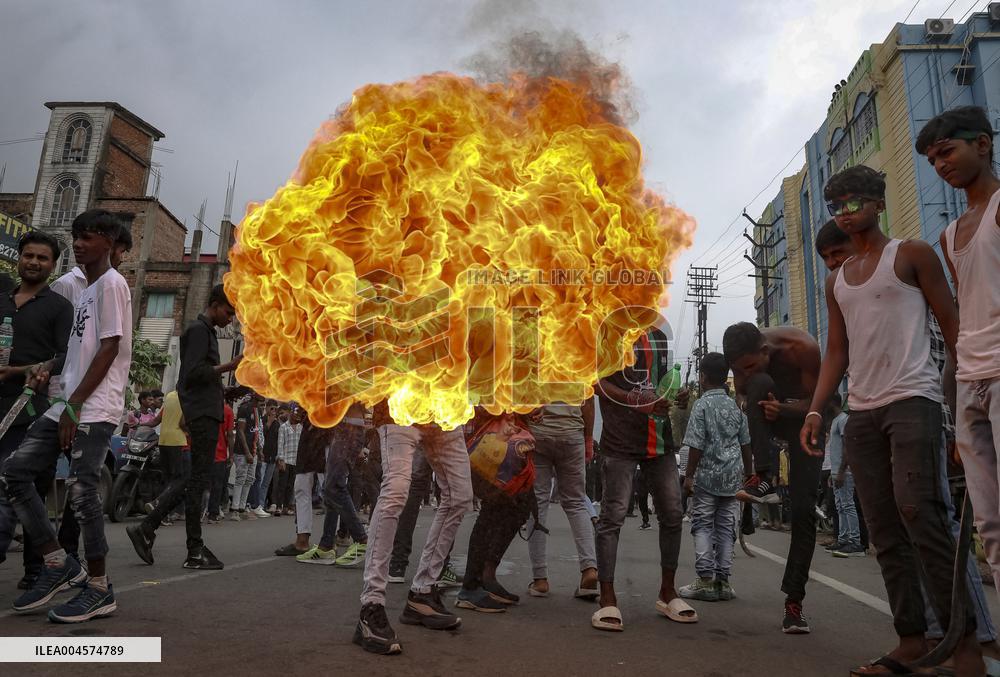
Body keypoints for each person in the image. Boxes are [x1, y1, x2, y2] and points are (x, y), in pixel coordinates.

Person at [800, 164, 982, 676]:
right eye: (837, 206)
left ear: (878, 203)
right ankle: (911, 639)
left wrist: (964, 400)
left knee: (920, 514)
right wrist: (817, 407)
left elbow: (952, 324)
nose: (845, 213)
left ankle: (962, 645)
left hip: (914, 400)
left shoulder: (912, 254)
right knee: (883, 527)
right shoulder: (837, 281)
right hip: (862, 411)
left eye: (854, 202)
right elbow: (837, 351)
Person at [0, 209, 132, 622]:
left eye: (89, 237)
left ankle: (98, 587)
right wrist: (47, 371)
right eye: (76, 236)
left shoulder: (112, 284)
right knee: (16, 472)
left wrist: (74, 404)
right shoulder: (87, 290)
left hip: (93, 406)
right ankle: (58, 561)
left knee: (82, 490)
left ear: (109, 244)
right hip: (67, 402)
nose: (78, 243)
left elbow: (110, 348)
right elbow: (79, 352)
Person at [918, 106, 1000, 600]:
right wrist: (954, 401)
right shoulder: (949, 235)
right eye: (931, 160)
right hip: (970, 378)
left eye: (947, 151)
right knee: (989, 525)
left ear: (983, 145)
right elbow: (960, 314)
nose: (940, 165)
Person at [126, 284, 241, 570]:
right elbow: (192, 374)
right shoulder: (198, 330)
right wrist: (230, 366)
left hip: (205, 412)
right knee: (196, 481)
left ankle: (162, 533)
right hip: (202, 415)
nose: (231, 319)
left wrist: (231, 390)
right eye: (228, 312)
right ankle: (186, 546)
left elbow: (201, 380)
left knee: (195, 480)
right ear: (214, 304)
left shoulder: (207, 332)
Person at [591, 326, 692, 632]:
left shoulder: (659, 336)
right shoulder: (609, 331)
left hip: (659, 442)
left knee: (673, 514)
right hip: (620, 441)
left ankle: (667, 592)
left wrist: (678, 395)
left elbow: (663, 385)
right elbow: (596, 383)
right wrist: (634, 400)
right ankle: (606, 597)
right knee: (613, 516)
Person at [722, 321, 821, 633]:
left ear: (764, 350)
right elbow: (743, 395)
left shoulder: (802, 348)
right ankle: (763, 477)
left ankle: (794, 603)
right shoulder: (746, 367)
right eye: (739, 370)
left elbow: (821, 404)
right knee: (760, 383)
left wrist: (784, 410)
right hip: (773, 413)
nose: (744, 375)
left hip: (809, 420)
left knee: (804, 511)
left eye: (749, 366)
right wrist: (756, 405)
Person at [354, 400, 473, 656]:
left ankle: (422, 593)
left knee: (460, 496)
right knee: (396, 492)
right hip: (398, 404)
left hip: (444, 407)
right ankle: (371, 604)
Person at [0, 231, 73, 590]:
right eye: (28, 255)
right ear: (19, 257)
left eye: (42, 258)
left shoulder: (59, 307)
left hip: (28, 409)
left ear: (53, 264)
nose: (33, 262)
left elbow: (65, 356)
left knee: (17, 487)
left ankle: (36, 570)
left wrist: (25, 371)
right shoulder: (2, 301)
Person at [678, 353, 751, 603]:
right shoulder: (736, 406)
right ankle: (723, 582)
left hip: (707, 477)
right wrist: (749, 475)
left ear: (702, 376)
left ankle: (705, 580)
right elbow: (746, 444)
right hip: (733, 478)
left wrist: (689, 478)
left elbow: (696, 445)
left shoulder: (701, 405)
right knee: (725, 527)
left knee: (702, 525)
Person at [456, 411, 535, 613]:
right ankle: (472, 585)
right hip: (491, 438)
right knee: (494, 509)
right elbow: (480, 397)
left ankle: (485, 576)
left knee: (517, 506)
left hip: (507, 438)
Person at [525, 401, 599, 600]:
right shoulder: (580, 367)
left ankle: (540, 579)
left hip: (538, 433)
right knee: (576, 503)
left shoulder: (536, 366)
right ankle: (589, 569)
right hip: (572, 433)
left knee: (538, 503)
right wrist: (589, 439)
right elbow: (588, 402)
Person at [298, 404, 369, 566]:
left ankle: (362, 540)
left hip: (349, 429)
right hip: (340, 429)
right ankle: (326, 546)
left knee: (334, 487)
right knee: (329, 489)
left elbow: (362, 387)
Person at [274, 412, 328, 557]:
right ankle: (302, 541)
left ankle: (330, 541)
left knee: (330, 490)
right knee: (302, 487)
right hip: (310, 435)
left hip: (328, 431)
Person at [821, 393, 863, 558]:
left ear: (833, 403)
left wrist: (841, 471)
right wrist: (833, 472)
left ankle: (855, 542)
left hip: (844, 471)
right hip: (836, 470)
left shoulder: (844, 420)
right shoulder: (834, 422)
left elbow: (848, 447)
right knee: (840, 506)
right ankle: (843, 539)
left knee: (847, 505)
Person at [142, 390, 187, 521]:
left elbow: (156, 421)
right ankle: (164, 509)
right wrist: (190, 433)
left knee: (166, 478)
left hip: (163, 441)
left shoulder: (170, 397)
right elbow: (183, 423)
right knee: (177, 479)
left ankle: (161, 514)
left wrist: (139, 425)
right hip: (177, 441)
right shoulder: (187, 397)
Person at [231, 392, 264, 520]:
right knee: (241, 478)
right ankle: (234, 510)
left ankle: (242, 508)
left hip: (253, 450)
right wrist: (247, 452)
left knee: (250, 478)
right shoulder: (244, 408)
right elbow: (240, 430)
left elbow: (257, 431)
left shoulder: (258, 411)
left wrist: (259, 449)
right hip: (242, 450)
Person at [207, 390, 237, 523]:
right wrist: (231, 454)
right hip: (219, 453)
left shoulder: (206, 408)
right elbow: (230, 434)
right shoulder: (228, 411)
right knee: (217, 485)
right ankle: (212, 514)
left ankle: (197, 511)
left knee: (200, 483)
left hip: (205, 451)